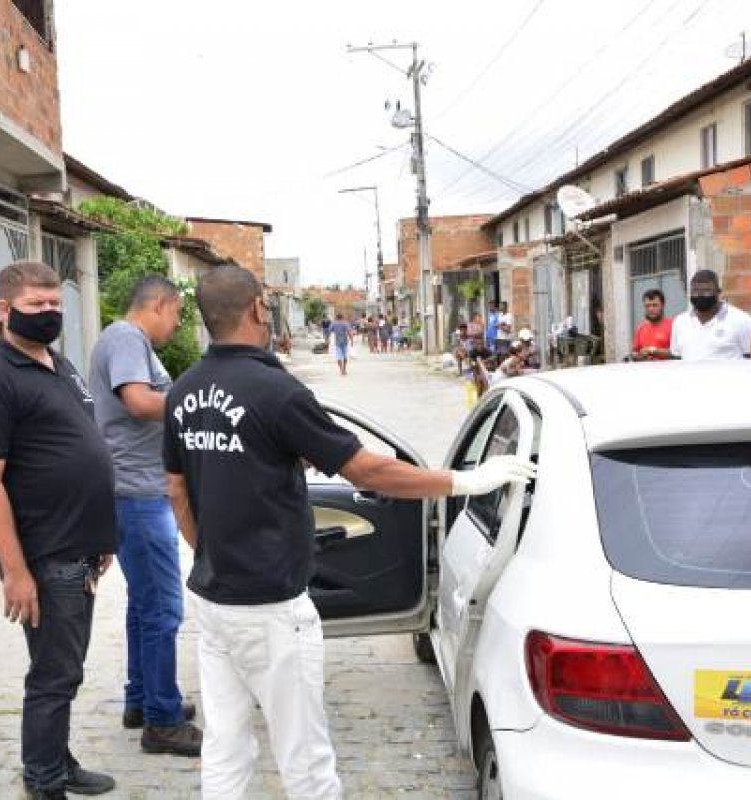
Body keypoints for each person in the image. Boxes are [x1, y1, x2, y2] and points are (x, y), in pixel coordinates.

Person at [163, 265, 535, 799]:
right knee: (305, 758)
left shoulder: (183, 392)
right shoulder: (275, 390)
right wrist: (465, 480)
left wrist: (213, 554)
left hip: (214, 600)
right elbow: (366, 471)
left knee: (225, 745)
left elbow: (176, 489)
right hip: (272, 607)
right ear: (258, 310)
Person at [0, 261, 118, 800]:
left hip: (79, 549)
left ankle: (58, 760)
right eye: (36, 306)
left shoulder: (59, 363)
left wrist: (101, 540)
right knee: (54, 677)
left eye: (55, 305)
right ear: (5, 309)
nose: (50, 315)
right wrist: (15, 570)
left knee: (60, 669)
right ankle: (44, 781)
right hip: (46, 555)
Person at [88, 275, 202, 758]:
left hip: (134, 491)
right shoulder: (126, 338)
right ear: (160, 305)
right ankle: (162, 720)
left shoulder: (125, 341)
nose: (176, 326)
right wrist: (197, 411)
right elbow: (138, 402)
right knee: (163, 609)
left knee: (143, 605)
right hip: (137, 494)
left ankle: (143, 699)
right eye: (176, 316)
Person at [669, 270, 751, 361]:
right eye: (695, 291)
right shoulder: (680, 321)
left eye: (706, 291)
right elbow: (676, 358)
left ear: (718, 292)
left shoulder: (741, 320)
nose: (700, 295)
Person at [630, 289, 674, 361]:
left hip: (668, 371)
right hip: (645, 371)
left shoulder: (673, 326)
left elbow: (677, 353)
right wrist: (639, 356)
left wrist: (652, 351)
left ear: (663, 305)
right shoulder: (641, 328)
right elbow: (635, 353)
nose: (651, 309)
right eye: (647, 306)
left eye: (655, 305)